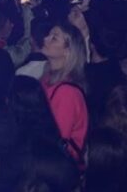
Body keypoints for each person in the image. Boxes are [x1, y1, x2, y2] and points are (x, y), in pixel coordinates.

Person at [41, 22, 88, 164]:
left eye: (54, 38)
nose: (45, 39)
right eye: (48, 35)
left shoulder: (67, 92)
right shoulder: (46, 78)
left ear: (67, 51)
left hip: (59, 166)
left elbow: (56, 139)